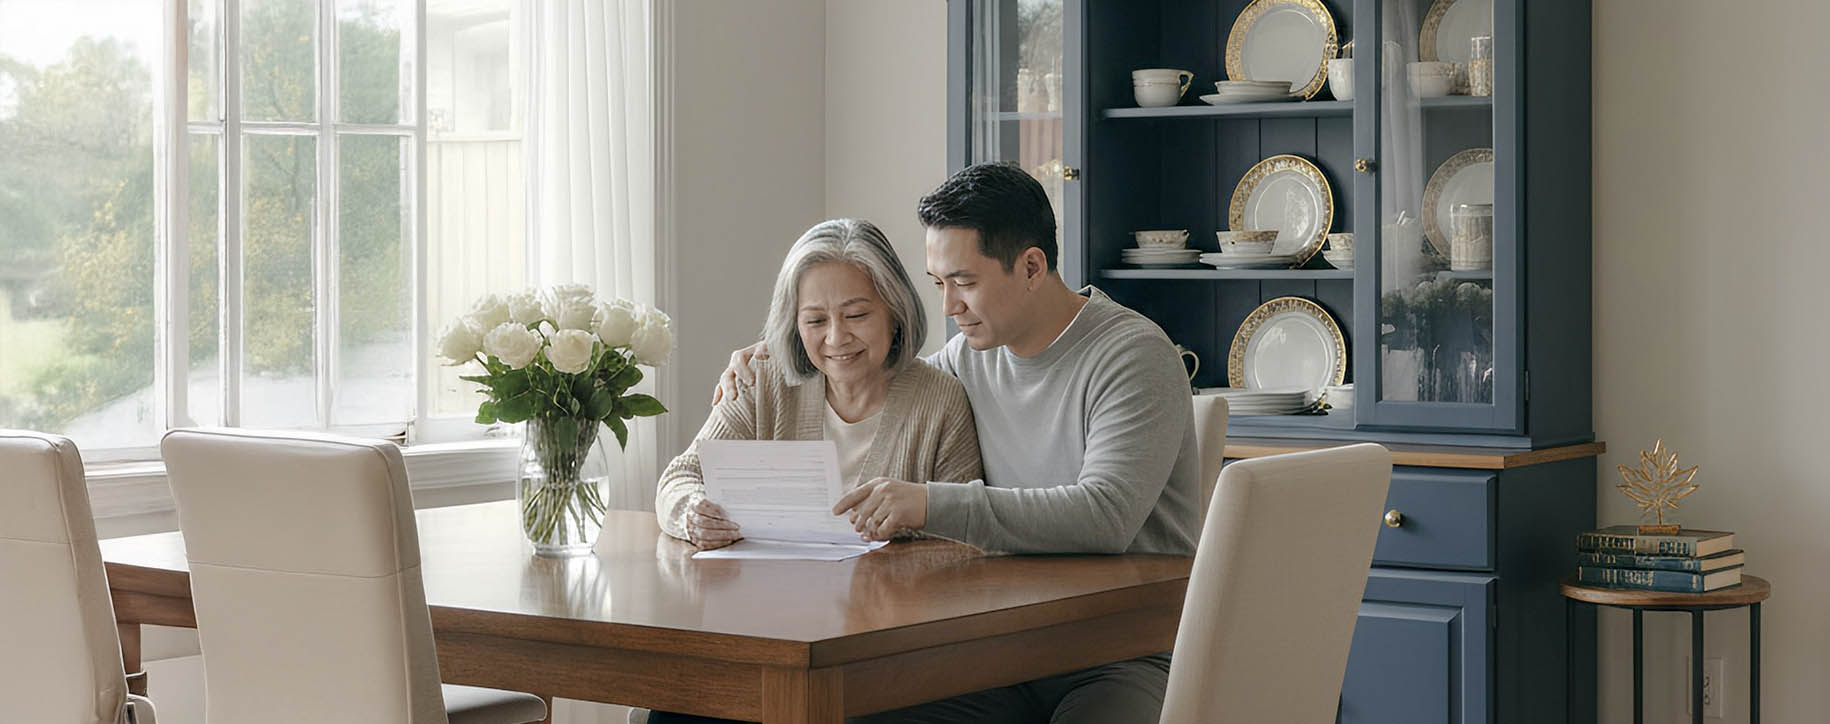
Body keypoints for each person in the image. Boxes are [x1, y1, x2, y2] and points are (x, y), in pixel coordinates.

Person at [717, 163, 1202, 723]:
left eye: (965, 283)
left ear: (1031, 267)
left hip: (1123, 651)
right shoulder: (971, 358)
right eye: (938, 284)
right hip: (999, 651)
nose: (949, 306)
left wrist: (929, 501)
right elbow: (887, 376)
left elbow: (1106, 515)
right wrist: (772, 355)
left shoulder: (1133, 355)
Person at [653, 218, 982, 553]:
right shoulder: (761, 380)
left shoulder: (941, 401)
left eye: (856, 316)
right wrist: (694, 514)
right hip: (769, 600)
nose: (836, 338)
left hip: (894, 602)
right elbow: (678, 478)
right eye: (815, 321)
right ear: (795, 324)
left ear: (895, 313)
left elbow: (964, 536)